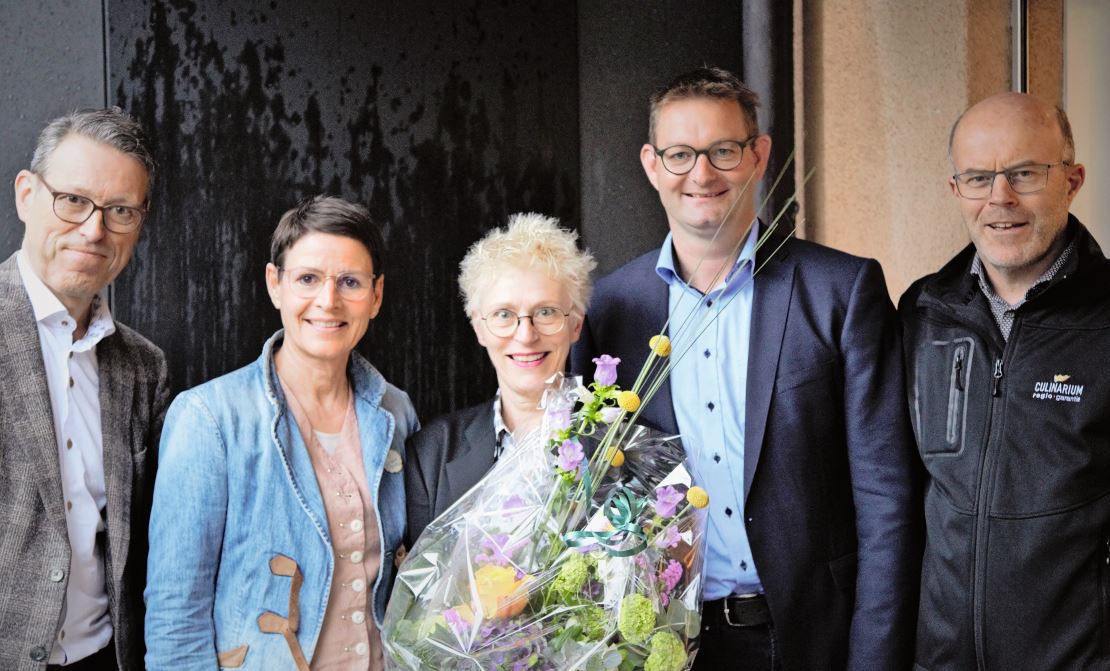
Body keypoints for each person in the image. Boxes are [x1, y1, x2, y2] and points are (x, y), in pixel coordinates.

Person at [570, 67, 918, 670]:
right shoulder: (612, 310)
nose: (701, 174)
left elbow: (887, 497)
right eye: (680, 155)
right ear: (652, 166)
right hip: (668, 644)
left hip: (810, 638)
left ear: (758, 156)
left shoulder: (839, 290)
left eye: (723, 151)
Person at [145, 196, 418, 670]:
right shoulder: (208, 418)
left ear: (375, 296)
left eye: (349, 282)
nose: (327, 301)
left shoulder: (395, 411)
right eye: (308, 279)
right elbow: (175, 617)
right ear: (275, 285)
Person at [900, 92, 1106, 669]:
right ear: (955, 190)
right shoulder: (922, 312)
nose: (1000, 198)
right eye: (978, 177)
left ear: (1072, 179)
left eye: (1024, 173)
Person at [0, 108, 168, 671]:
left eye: (120, 211)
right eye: (73, 200)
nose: (94, 230)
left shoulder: (143, 367)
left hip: (106, 657)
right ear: (26, 194)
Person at [405, 212, 595, 544]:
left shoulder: (624, 452)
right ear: (480, 327)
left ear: (575, 324)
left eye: (546, 312)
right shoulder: (432, 454)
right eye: (504, 315)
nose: (526, 335)